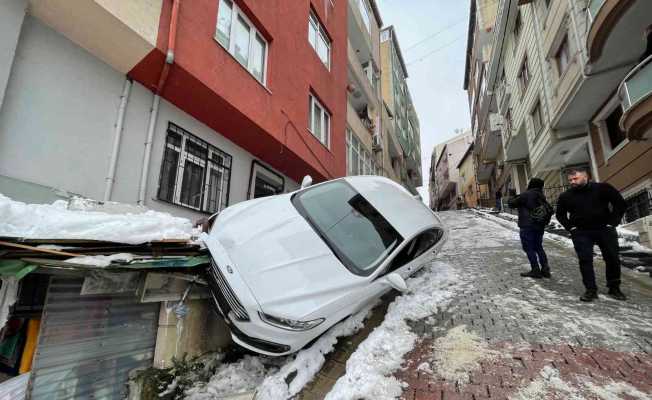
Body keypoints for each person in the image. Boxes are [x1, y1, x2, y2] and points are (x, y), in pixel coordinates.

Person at [555, 168, 627, 302]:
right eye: (570, 180)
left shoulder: (603, 188)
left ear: (585, 176)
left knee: (612, 257)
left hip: (604, 229)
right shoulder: (566, 196)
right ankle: (590, 290)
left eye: (575, 178)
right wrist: (572, 228)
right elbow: (560, 214)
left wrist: (612, 223)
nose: (572, 182)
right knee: (585, 260)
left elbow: (620, 204)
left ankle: (614, 287)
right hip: (581, 232)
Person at [507, 178, 550, 279]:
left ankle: (535, 270)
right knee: (538, 247)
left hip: (527, 226)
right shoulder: (541, 195)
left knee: (529, 248)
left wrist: (512, 196)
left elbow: (511, 204)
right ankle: (545, 269)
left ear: (531, 184)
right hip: (539, 225)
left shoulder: (526, 195)